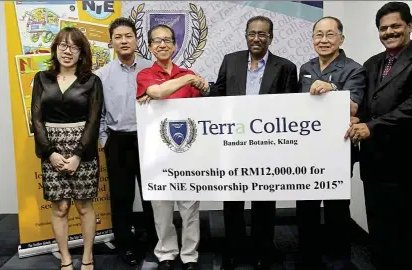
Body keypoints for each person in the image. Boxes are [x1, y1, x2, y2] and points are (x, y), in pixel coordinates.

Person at [345, 2, 412, 270]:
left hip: (410, 169)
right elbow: (368, 105)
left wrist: (371, 126)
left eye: (395, 26)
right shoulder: (371, 64)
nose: (389, 32)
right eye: (383, 28)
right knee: (380, 238)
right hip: (375, 166)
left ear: (409, 26)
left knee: (408, 239)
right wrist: (357, 118)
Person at [209, 16, 298, 270]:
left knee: (264, 202)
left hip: (267, 146)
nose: (256, 38)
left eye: (262, 34)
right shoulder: (231, 60)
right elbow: (219, 95)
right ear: (245, 35)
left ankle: (263, 249)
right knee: (233, 201)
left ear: (271, 37)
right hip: (233, 143)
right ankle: (235, 250)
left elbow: (291, 109)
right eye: (252, 33)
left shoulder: (286, 68)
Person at [136, 24, 208, 270]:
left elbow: (201, 110)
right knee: (162, 207)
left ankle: (190, 255)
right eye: (157, 41)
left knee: (189, 207)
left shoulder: (187, 72)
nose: (162, 44)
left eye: (167, 40)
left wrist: (204, 88)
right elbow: (156, 92)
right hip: (157, 155)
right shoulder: (145, 75)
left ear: (175, 45)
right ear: (150, 47)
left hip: (188, 152)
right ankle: (166, 253)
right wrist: (188, 79)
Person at [296, 16, 365, 270]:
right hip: (307, 150)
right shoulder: (305, 66)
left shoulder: (354, 69)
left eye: (329, 35)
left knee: (337, 208)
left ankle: (339, 260)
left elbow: (355, 106)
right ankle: (307, 259)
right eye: (318, 35)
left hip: (338, 149)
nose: (323, 40)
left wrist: (332, 89)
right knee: (306, 208)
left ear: (341, 39)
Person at [31, 27, 103, 270]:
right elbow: (36, 118)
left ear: (82, 52)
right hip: (51, 149)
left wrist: (78, 156)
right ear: (55, 49)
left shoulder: (92, 81)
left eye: (74, 46)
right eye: (63, 45)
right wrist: (50, 152)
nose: (67, 51)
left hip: (83, 150)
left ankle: (87, 258)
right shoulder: (42, 78)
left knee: (84, 207)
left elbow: (94, 121)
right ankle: (64, 259)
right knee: (60, 207)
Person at [95, 17, 158, 266]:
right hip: (118, 142)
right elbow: (98, 114)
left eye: (128, 36)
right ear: (111, 42)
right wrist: (105, 141)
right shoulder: (101, 75)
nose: (124, 41)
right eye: (118, 37)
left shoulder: (150, 69)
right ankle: (126, 246)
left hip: (149, 139)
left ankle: (156, 245)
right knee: (121, 198)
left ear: (136, 39)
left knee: (153, 197)